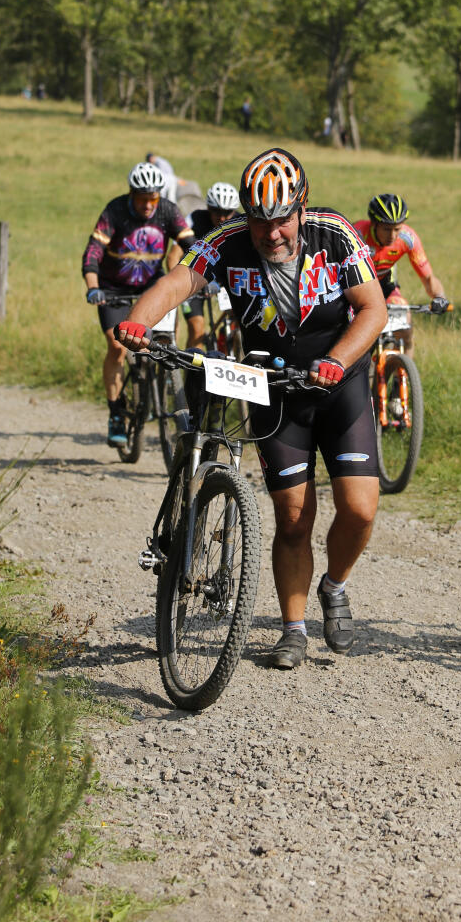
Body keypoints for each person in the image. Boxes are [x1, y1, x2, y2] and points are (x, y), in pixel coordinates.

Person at [117, 148, 388, 671]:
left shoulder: (335, 235)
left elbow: (373, 308)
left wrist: (336, 359)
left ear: (301, 209)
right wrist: (138, 321)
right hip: (273, 389)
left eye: (282, 219)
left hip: (340, 384)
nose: (272, 233)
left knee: (359, 509)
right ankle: (293, 629)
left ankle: (335, 584)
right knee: (292, 517)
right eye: (260, 221)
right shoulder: (228, 242)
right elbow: (181, 279)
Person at [82, 162, 193, 447]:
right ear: (132, 195)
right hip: (112, 289)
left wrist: (207, 271)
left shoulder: (168, 210)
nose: (147, 205)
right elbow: (93, 252)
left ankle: (167, 392)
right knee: (118, 347)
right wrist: (94, 288)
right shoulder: (115, 211)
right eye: (142, 198)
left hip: (150, 287)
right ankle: (117, 412)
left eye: (152, 198)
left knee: (165, 343)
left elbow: (191, 243)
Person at [354, 193, 449, 357]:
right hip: (357, 286)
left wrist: (439, 296)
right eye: (386, 229)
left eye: (397, 229)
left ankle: (401, 377)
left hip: (385, 284)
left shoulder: (408, 238)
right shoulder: (358, 234)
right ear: (374, 224)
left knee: (405, 330)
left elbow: (428, 278)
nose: (392, 235)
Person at [175, 181, 242, 348]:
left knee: (242, 322)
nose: (222, 218)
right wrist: (178, 286)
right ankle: (193, 373)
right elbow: (173, 255)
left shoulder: (240, 222)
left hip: (225, 280)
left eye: (227, 213)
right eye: (216, 211)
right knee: (197, 330)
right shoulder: (195, 218)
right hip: (194, 280)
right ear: (208, 208)